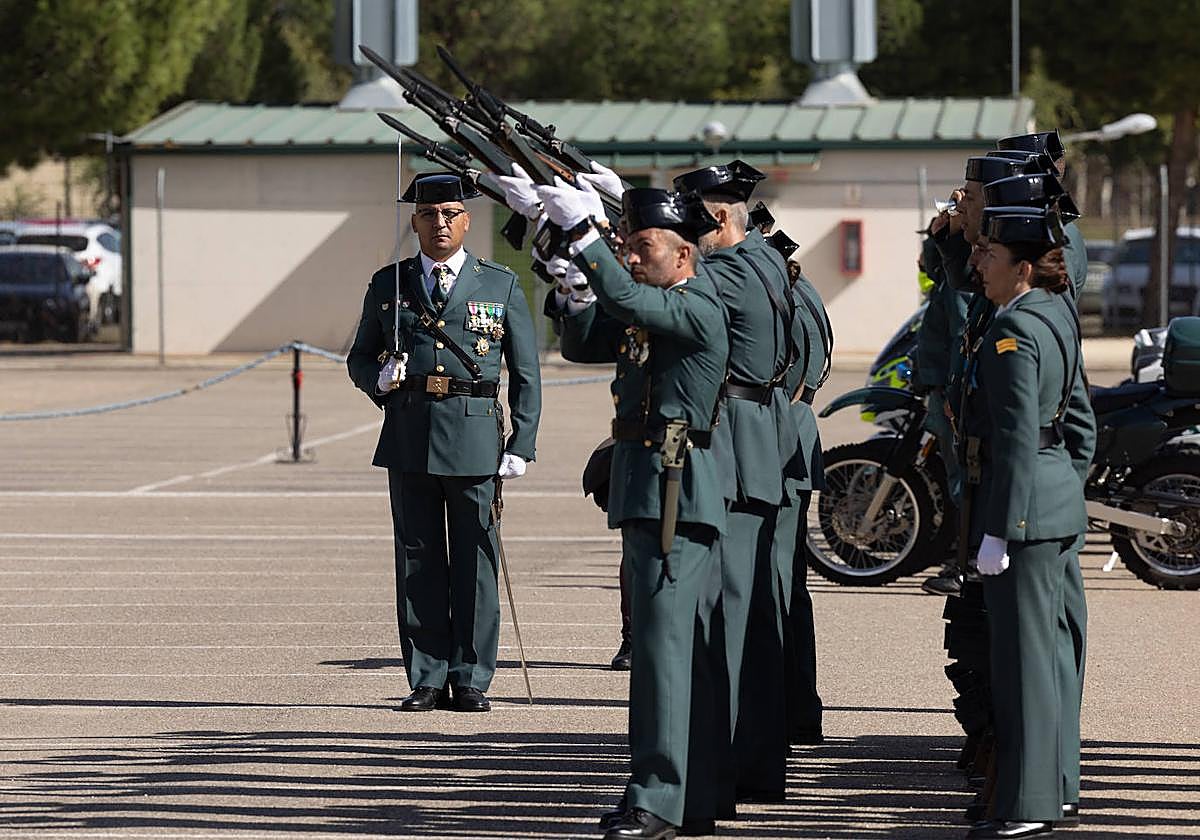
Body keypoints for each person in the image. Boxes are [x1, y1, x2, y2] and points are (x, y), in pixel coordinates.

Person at [537, 180, 729, 840]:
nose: (633, 256)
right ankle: (668, 793)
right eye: (629, 246)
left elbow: (622, 297)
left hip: (677, 491)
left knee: (662, 655)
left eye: (642, 246)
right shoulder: (658, 303)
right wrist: (569, 278)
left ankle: (659, 798)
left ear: (682, 256)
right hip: (650, 487)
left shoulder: (696, 303)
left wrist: (587, 237)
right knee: (660, 655)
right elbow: (586, 340)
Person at [346, 172, 541, 714]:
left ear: (467, 220)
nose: (440, 224)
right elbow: (359, 355)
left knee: (475, 561)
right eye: (430, 215)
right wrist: (378, 380)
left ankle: (472, 675)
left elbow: (525, 372)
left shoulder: (498, 283)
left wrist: (522, 442)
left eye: (451, 214)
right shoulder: (391, 284)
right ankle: (427, 675)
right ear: (414, 222)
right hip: (410, 432)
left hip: (476, 433)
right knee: (418, 560)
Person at [960, 206, 1093, 839]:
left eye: (989, 254)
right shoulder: (1055, 316)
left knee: (1025, 665)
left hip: (1027, 509)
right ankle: (1055, 787)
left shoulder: (1015, 330)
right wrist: (1063, 485)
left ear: (1021, 266)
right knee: (1051, 657)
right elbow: (1081, 426)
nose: (977, 263)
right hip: (1052, 496)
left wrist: (1002, 525)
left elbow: (1014, 436)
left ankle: (1029, 804)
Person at [672, 161, 798, 807]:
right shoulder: (764, 259)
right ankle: (753, 769)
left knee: (718, 625)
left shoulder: (720, 273)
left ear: (717, 218)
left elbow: (665, 305)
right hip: (760, 445)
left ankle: (713, 778)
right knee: (752, 625)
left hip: (729, 451)